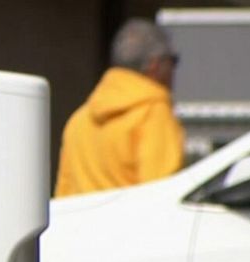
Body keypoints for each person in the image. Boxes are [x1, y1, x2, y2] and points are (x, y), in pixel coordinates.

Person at [55, 18, 185, 198]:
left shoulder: (79, 120)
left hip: (81, 225)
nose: (174, 70)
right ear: (155, 64)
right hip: (133, 225)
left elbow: (64, 197)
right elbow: (160, 195)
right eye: (173, 61)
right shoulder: (153, 114)